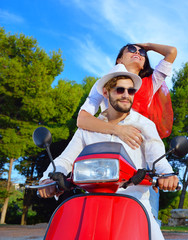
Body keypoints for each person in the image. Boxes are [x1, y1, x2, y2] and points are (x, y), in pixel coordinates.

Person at [39, 65, 178, 240]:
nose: (126, 95)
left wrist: (167, 174)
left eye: (131, 91)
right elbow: (66, 159)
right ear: (106, 93)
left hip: (135, 204)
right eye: (120, 90)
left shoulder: (144, 125)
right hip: (92, 204)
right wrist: (48, 179)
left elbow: (157, 158)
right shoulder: (88, 129)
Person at [77, 43, 177, 149]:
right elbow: (82, 120)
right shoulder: (104, 84)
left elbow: (171, 52)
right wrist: (118, 130)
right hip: (108, 140)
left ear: (143, 65)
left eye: (142, 52)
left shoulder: (152, 83)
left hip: (136, 145)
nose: (137, 52)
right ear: (119, 60)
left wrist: (148, 46)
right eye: (131, 49)